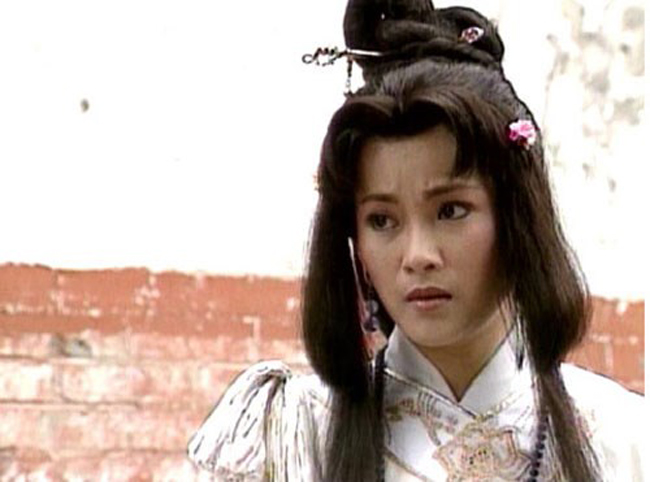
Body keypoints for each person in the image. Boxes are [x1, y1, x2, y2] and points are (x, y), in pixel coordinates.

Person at [187, 0, 646, 480]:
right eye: (382, 220)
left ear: (516, 216)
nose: (418, 256)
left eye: (450, 211)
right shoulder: (288, 438)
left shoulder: (624, 441)